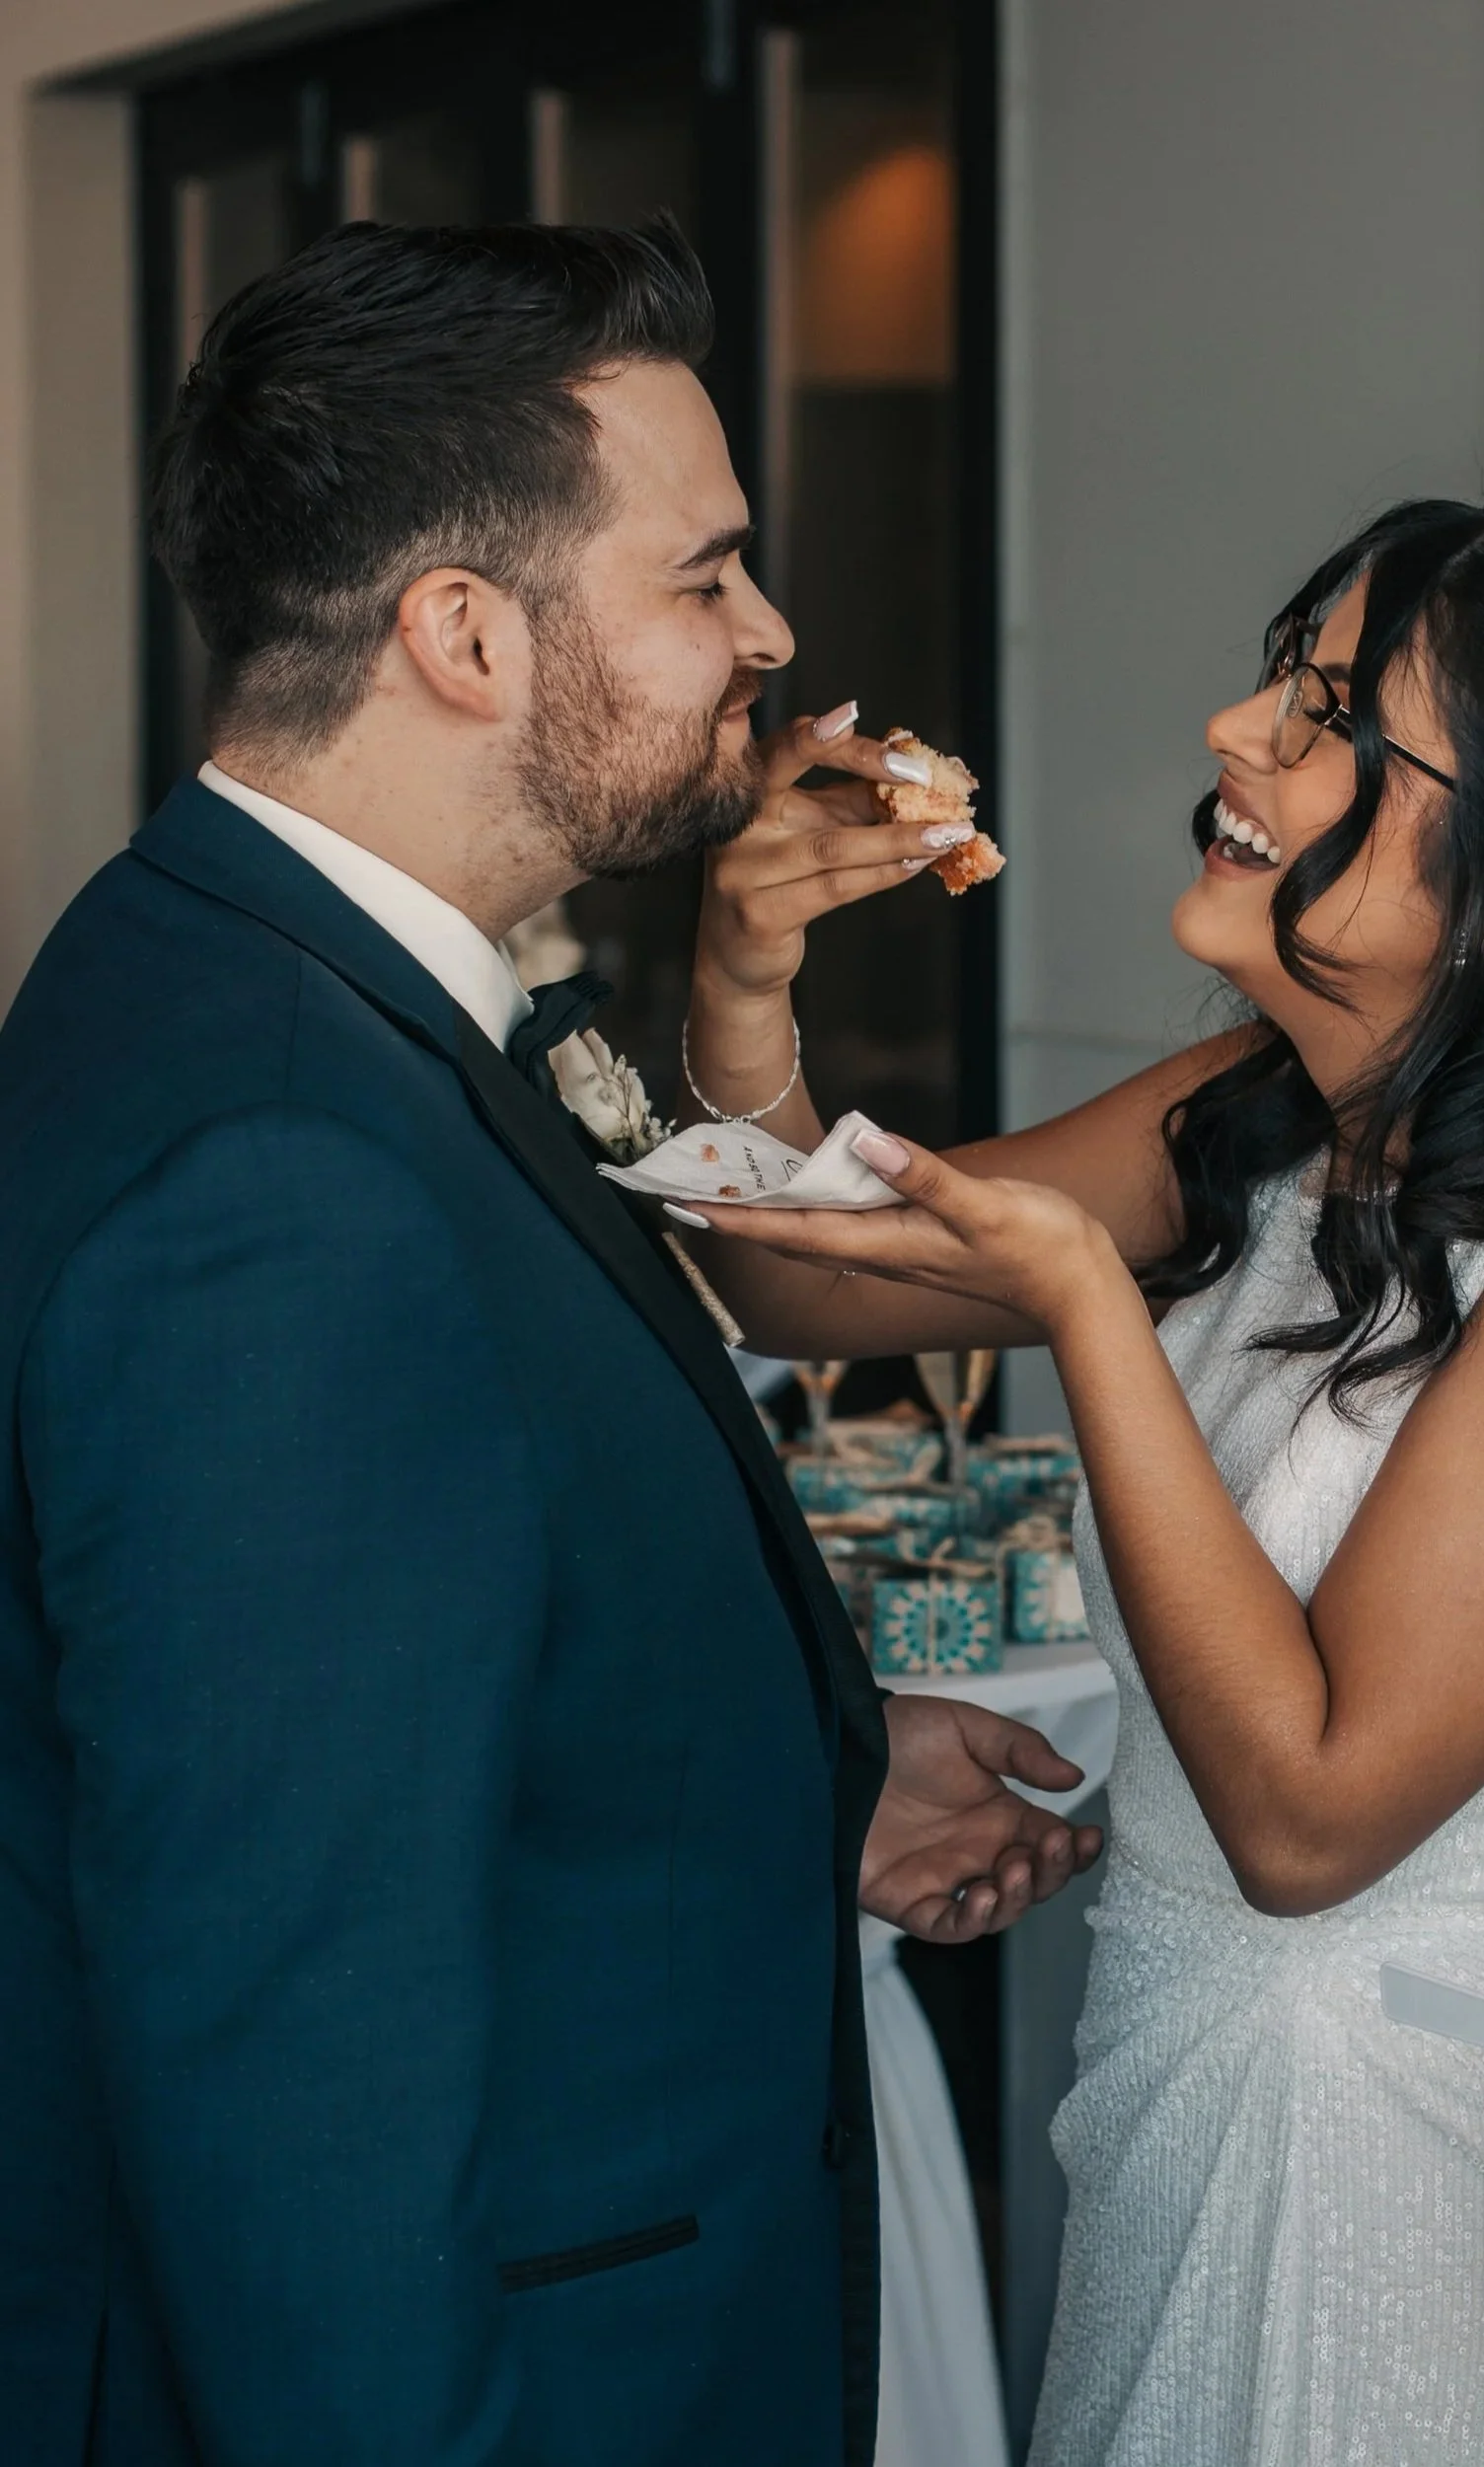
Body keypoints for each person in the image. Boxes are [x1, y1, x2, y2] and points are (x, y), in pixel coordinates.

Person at [0, 219, 1097, 2467]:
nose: (771, 635)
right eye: (704, 574)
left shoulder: (251, 977)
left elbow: (361, 1701)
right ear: (468, 636)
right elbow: (298, 2068)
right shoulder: (280, 1183)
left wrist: (809, 1760)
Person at [679, 497, 1484, 2461]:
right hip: (1188, 2085)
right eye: (1276, 675)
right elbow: (796, 1270)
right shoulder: (1266, 1114)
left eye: (1320, 718)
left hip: (1433, 2162)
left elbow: (1306, 1814)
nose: (1229, 729)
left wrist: (1090, 1311)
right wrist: (738, 975)